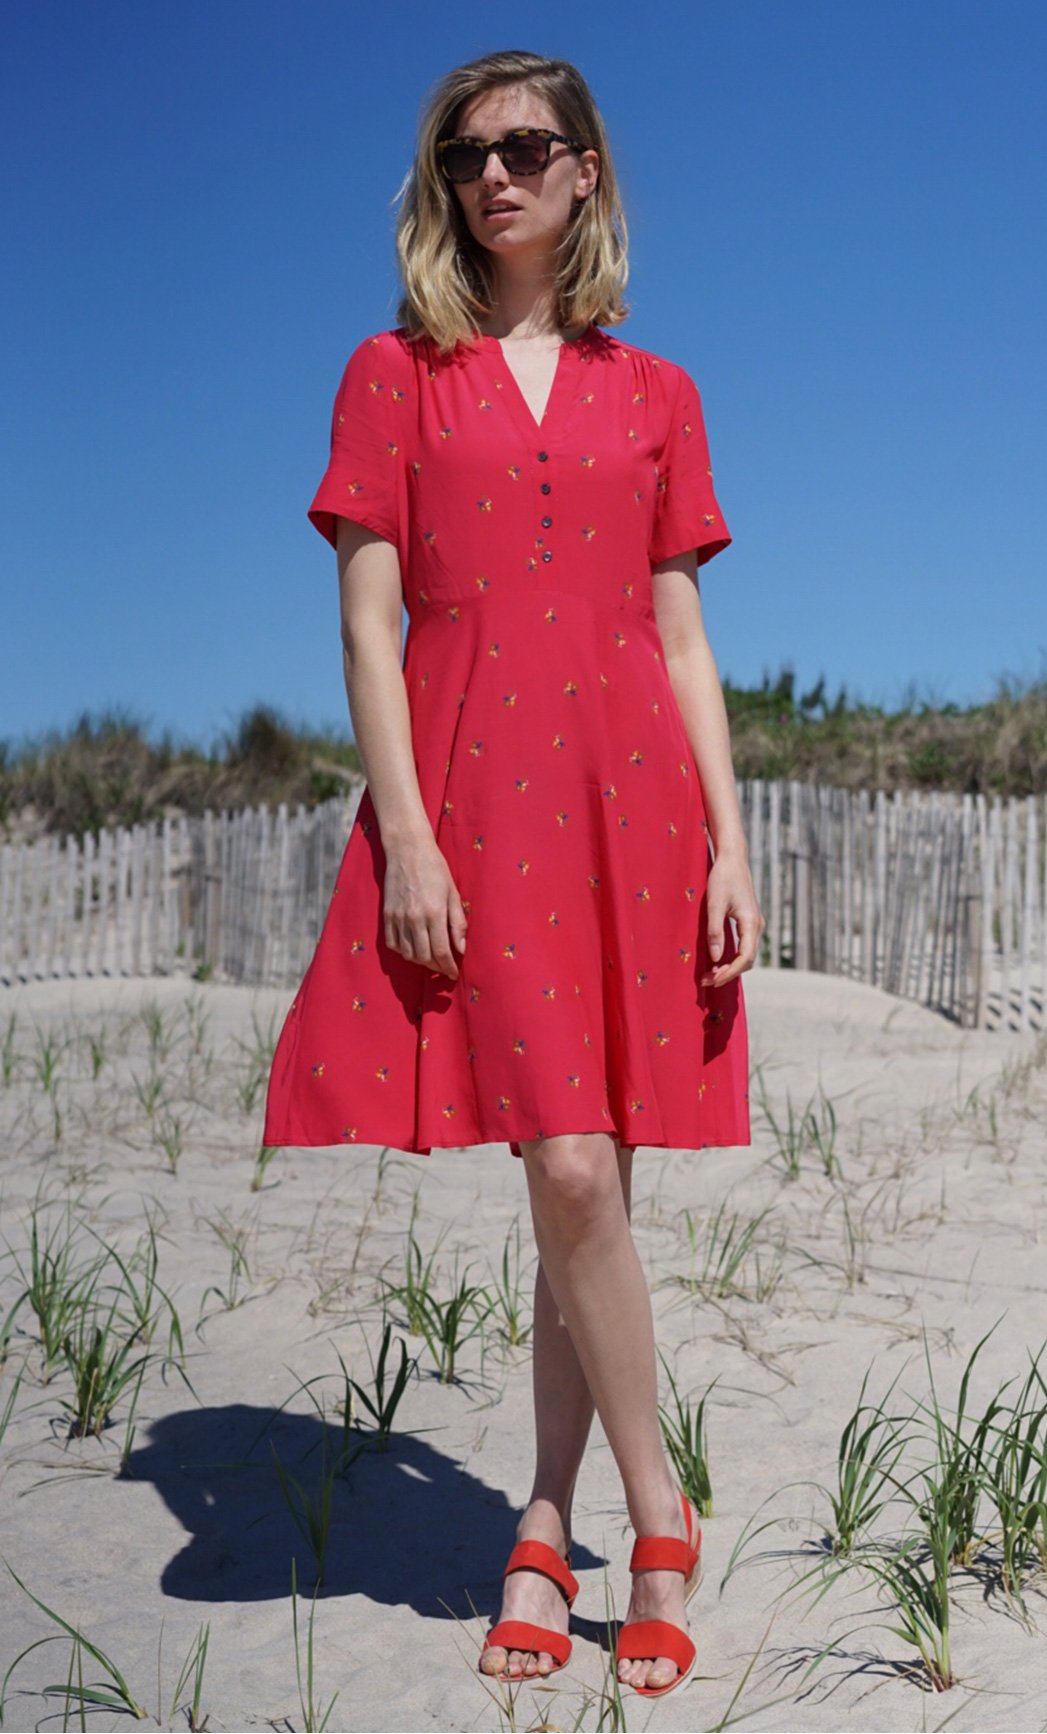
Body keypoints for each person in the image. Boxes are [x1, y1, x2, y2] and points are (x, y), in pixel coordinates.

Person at [263, 47, 764, 1698]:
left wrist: (732, 840)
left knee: (591, 1177)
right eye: (469, 151)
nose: (500, 172)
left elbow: (684, 636)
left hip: (635, 796)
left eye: (532, 146)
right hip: (477, 789)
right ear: (444, 184)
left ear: (587, 174)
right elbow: (367, 619)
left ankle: (542, 1516)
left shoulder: (659, 394)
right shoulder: (393, 374)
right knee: (565, 1161)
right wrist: (403, 828)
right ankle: (659, 1507)